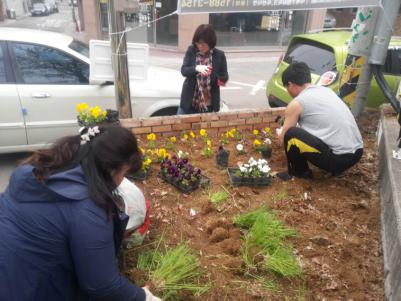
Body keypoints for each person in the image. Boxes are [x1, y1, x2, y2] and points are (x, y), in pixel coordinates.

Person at [0, 124, 161, 301]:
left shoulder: (31, 172)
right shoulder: (87, 209)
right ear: (110, 169)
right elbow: (102, 285)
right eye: (124, 173)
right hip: (28, 290)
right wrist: (142, 297)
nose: (123, 180)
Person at [277, 62, 363, 180]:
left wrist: (281, 133)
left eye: (286, 87)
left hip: (339, 159)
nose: (288, 91)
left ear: (290, 84)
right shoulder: (325, 91)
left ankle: (299, 173)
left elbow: (284, 137)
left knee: (291, 134)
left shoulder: (297, 103)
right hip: (357, 153)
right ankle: (336, 169)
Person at [177, 24, 229, 115]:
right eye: (198, 43)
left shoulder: (219, 55)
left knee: (205, 129)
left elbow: (224, 77)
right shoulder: (191, 50)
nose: (200, 46)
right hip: (189, 102)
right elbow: (184, 71)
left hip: (208, 104)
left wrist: (212, 77)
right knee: (182, 128)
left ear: (211, 43)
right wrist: (196, 68)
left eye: (203, 44)